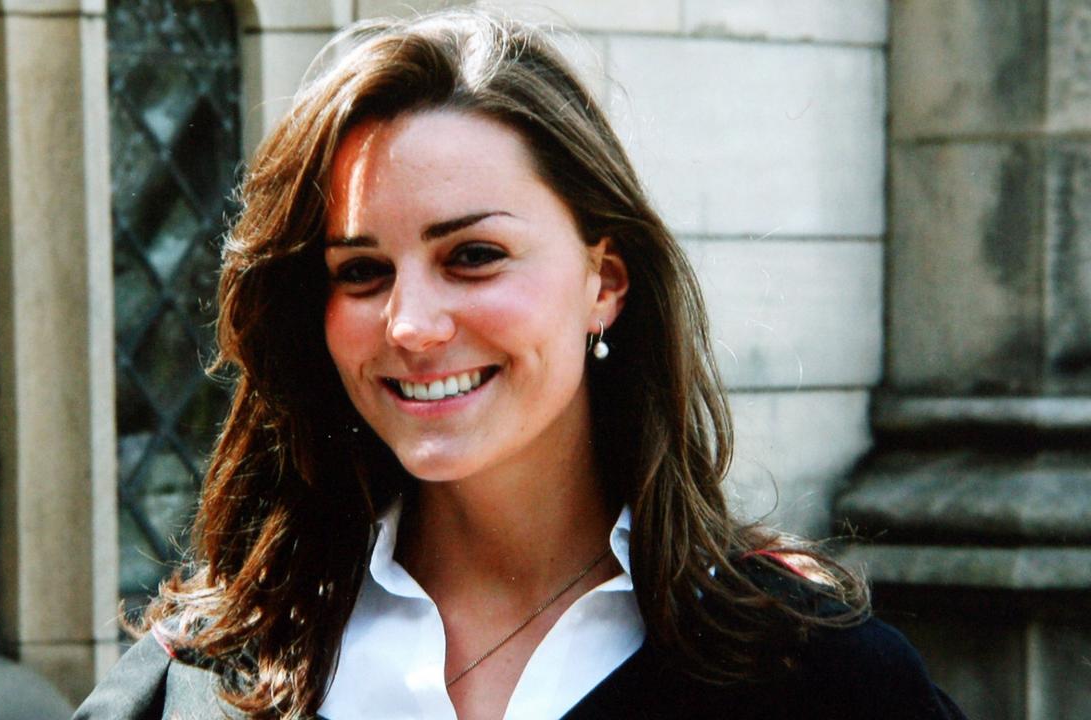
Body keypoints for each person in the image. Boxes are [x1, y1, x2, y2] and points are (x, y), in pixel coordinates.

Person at [75, 9, 966, 720]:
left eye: (473, 256)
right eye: (360, 272)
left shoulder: (817, 681)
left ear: (604, 282)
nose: (412, 325)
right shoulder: (211, 677)